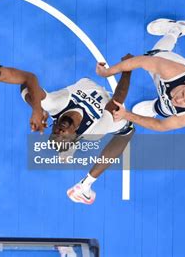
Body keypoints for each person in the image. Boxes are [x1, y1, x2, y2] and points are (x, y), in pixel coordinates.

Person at [22, 55, 135, 204]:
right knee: (127, 131)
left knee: (45, 103)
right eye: (63, 137)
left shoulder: (53, 104)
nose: (60, 132)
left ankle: (65, 149)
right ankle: (85, 184)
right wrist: (127, 69)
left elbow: (25, 84)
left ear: (53, 124)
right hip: (106, 113)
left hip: (86, 83)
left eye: (55, 133)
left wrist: (37, 108)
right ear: (75, 135)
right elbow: (118, 99)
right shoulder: (95, 131)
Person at [96, 18, 185, 132]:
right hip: (168, 69)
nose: (179, 100)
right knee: (154, 53)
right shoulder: (172, 71)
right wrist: (107, 72)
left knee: (166, 109)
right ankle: (176, 29)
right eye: (183, 94)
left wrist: (126, 115)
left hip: (166, 89)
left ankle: (155, 108)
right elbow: (139, 61)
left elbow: (160, 125)